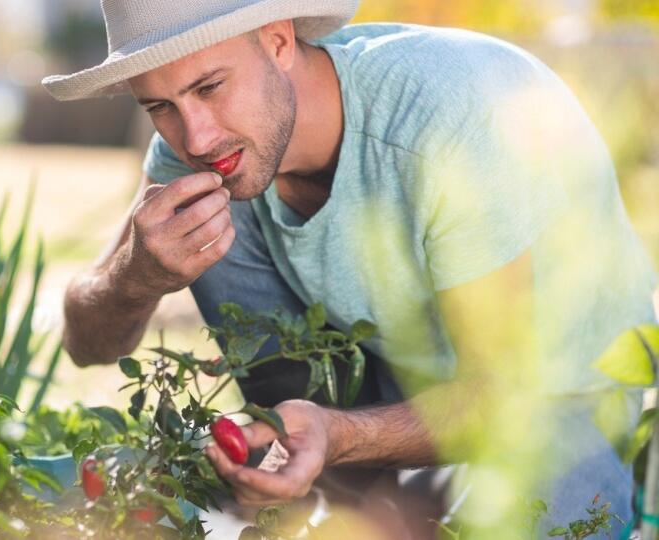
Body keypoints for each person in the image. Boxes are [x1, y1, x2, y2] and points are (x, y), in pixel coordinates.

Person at [43, 1, 657, 536]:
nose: (197, 138)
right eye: (161, 106)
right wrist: (136, 276)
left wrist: (340, 436)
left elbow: (505, 400)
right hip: (370, 421)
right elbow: (86, 344)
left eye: (210, 87)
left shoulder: (451, 114)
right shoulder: (195, 158)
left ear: (279, 40)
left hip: (558, 407)